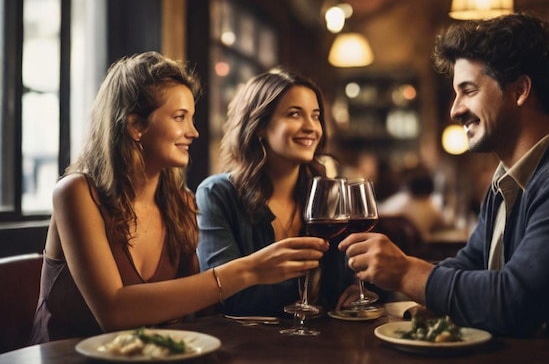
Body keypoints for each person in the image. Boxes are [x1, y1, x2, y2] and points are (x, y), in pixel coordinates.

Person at [339, 13, 549, 364]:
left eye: (468, 91)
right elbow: (471, 264)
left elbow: (513, 302)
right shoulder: (512, 173)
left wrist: (405, 272)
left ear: (520, 90)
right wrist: (390, 282)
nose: (455, 109)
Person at [30, 52, 327, 344]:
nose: (193, 132)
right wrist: (249, 270)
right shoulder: (77, 193)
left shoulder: (181, 203)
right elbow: (114, 311)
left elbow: (197, 311)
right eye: (180, 117)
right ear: (135, 126)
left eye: (192, 118)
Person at [196, 67, 359, 317]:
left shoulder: (327, 192)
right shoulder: (218, 194)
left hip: (324, 346)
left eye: (315, 116)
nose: (311, 127)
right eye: (294, 114)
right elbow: (227, 296)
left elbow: (347, 281)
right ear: (259, 126)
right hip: (250, 348)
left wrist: (357, 290)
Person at [378, 164, 449, 238]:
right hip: (421, 246)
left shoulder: (403, 201)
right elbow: (445, 223)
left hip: (397, 243)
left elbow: (379, 212)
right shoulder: (432, 206)